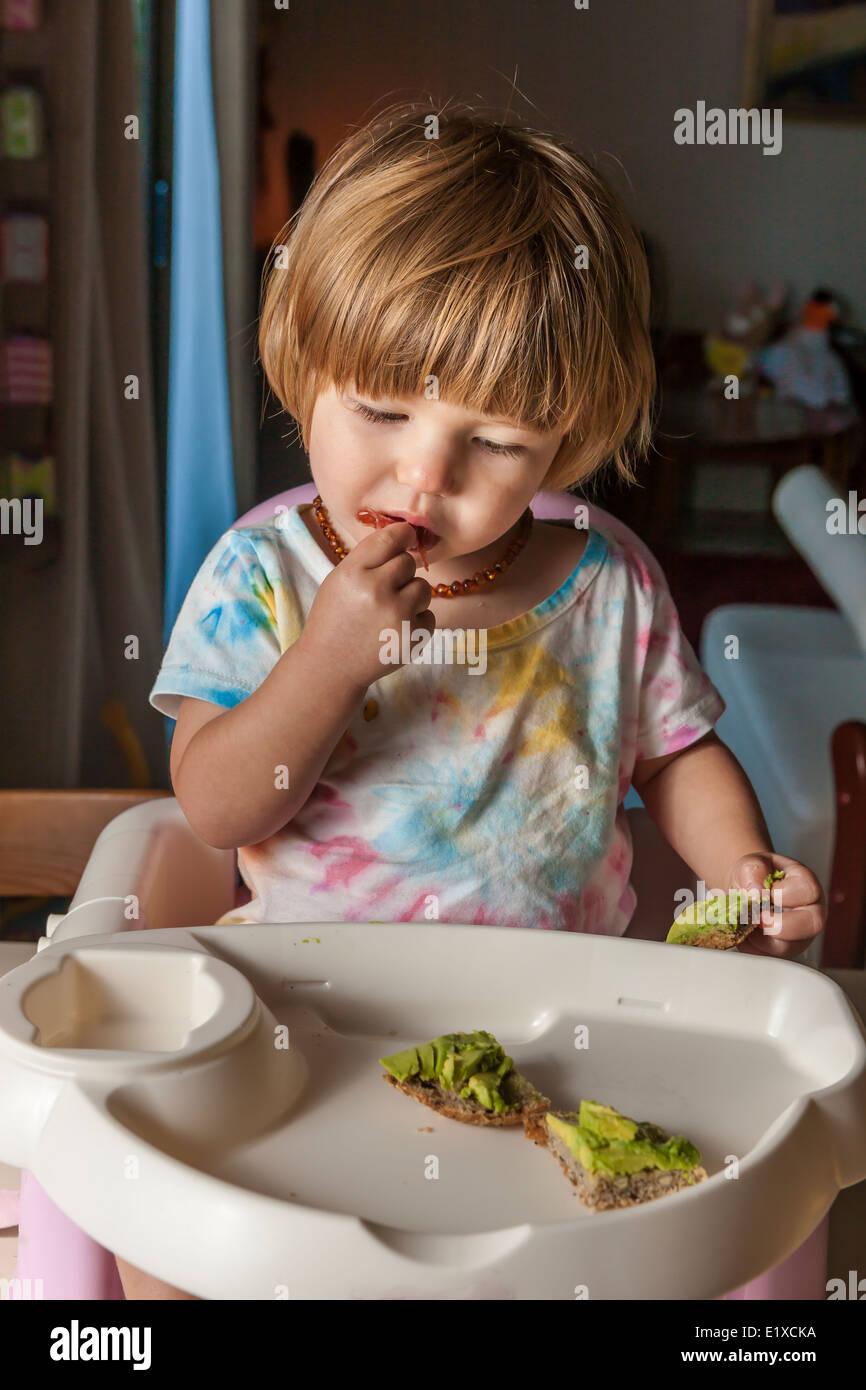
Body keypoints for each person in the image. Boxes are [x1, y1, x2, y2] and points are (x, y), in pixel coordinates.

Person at [119, 101, 825, 1299]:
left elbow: (676, 755)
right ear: (304, 375)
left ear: (563, 443)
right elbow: (220, 806)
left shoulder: (607, 581)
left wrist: (740, 866)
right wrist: (330, 659)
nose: (422, 476)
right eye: (383, 411)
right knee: (180, 1242)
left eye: (494, 439)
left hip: (566, 1029)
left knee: (705, 1219)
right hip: (309, 1021)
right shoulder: (264, 577)